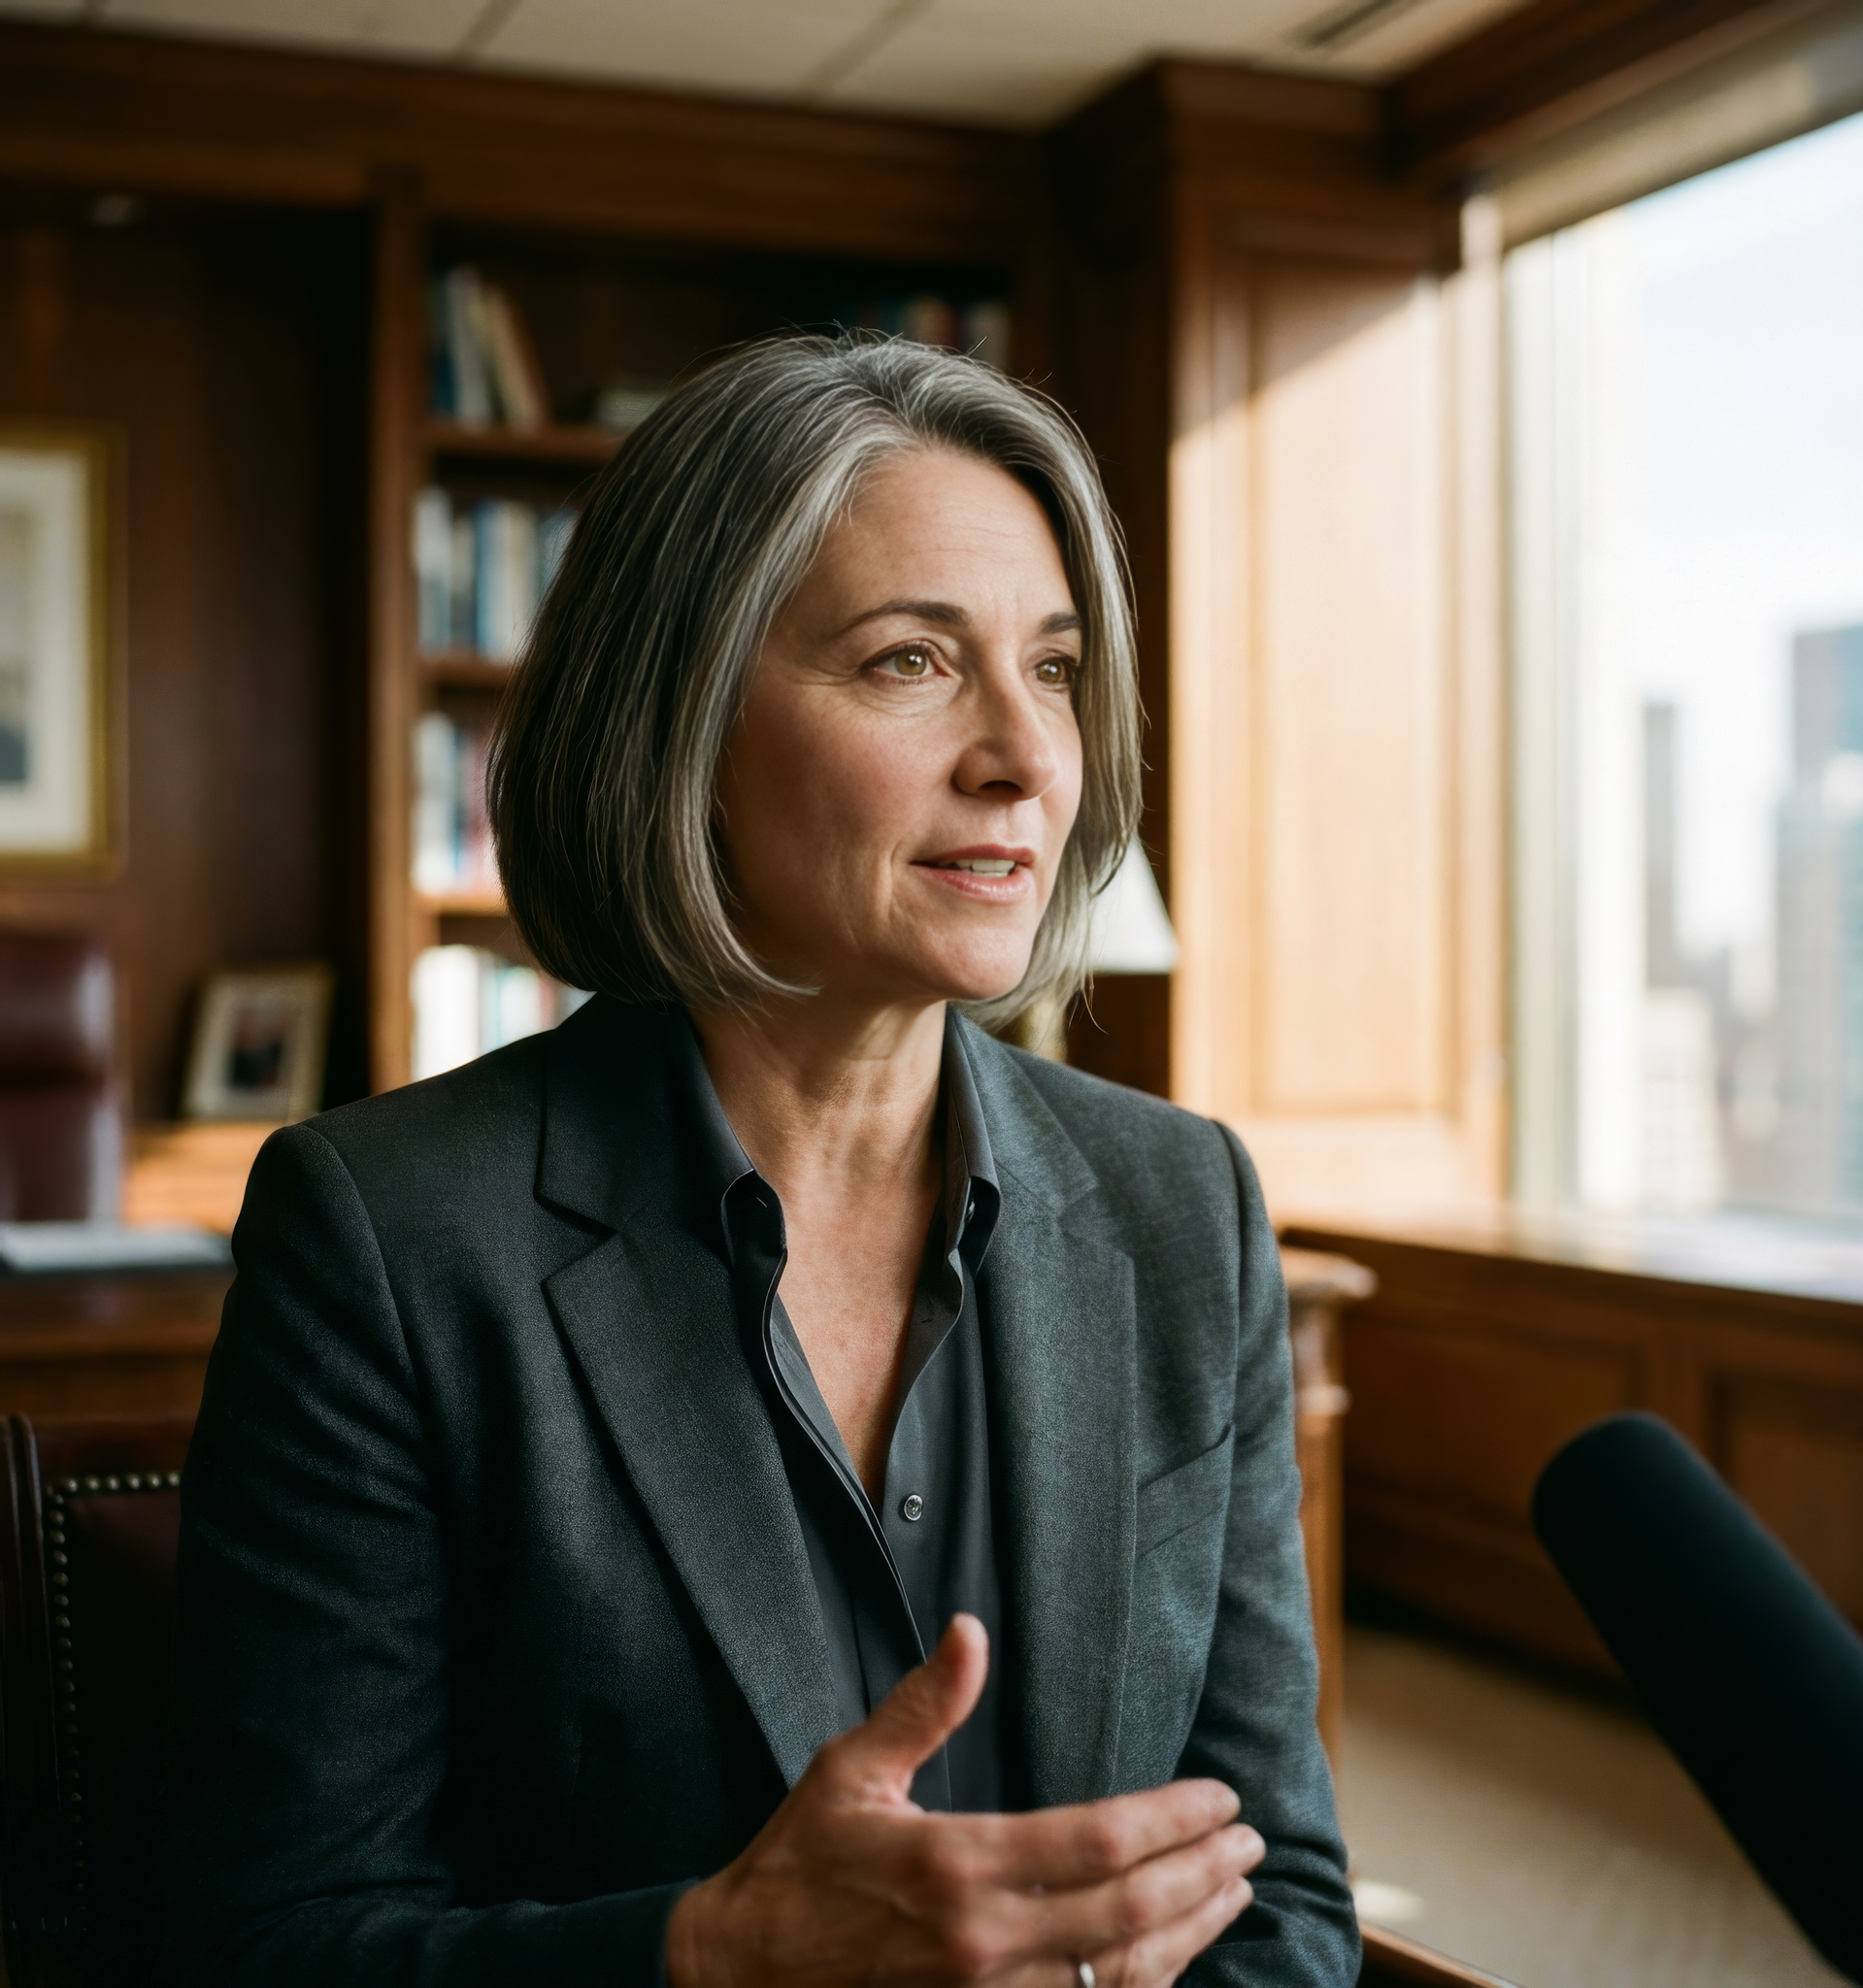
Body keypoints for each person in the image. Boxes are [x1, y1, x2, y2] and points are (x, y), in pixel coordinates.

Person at [161, 333, 1360, 1988]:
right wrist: (716, 1956)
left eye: (1059, 667)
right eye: (909, 663)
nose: (1026, 752)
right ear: (684, 723)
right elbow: (266, 1945)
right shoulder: (386, 1235)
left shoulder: (1185, 1209)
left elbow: (1275, 1891)